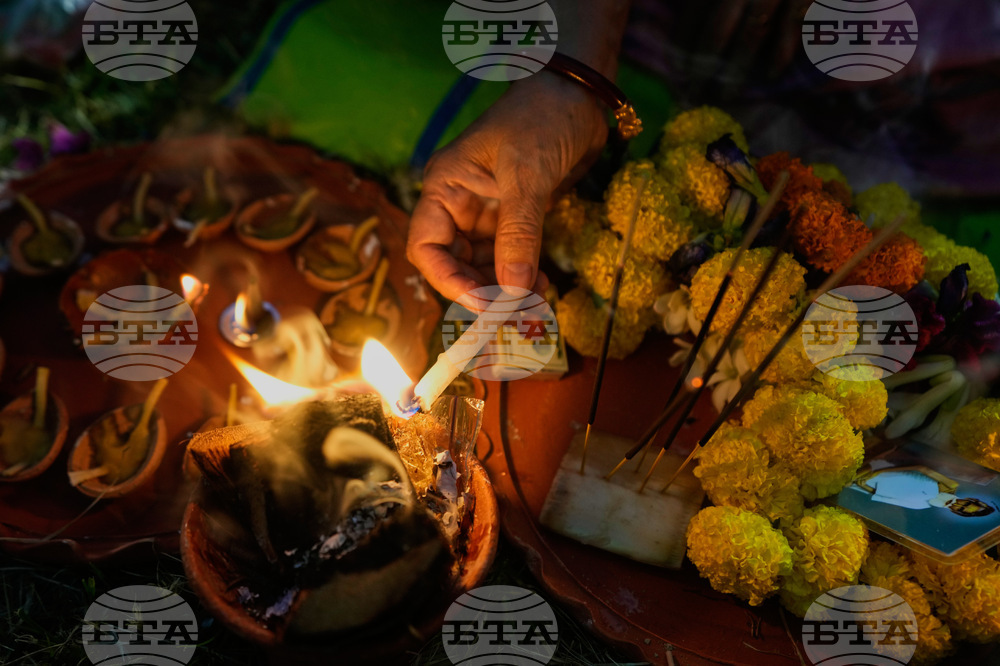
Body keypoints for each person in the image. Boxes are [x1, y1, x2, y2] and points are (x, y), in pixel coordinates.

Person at [854, 464, 996, 517]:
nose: (959, 505)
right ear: (971, 499)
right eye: (966, 504)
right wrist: (880, 470)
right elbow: (921, 468)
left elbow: (887, 498)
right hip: (879, 469)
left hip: (863, 484)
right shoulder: (951, 486)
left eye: (962, 509)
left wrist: (863, 486)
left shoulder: (921, 506)